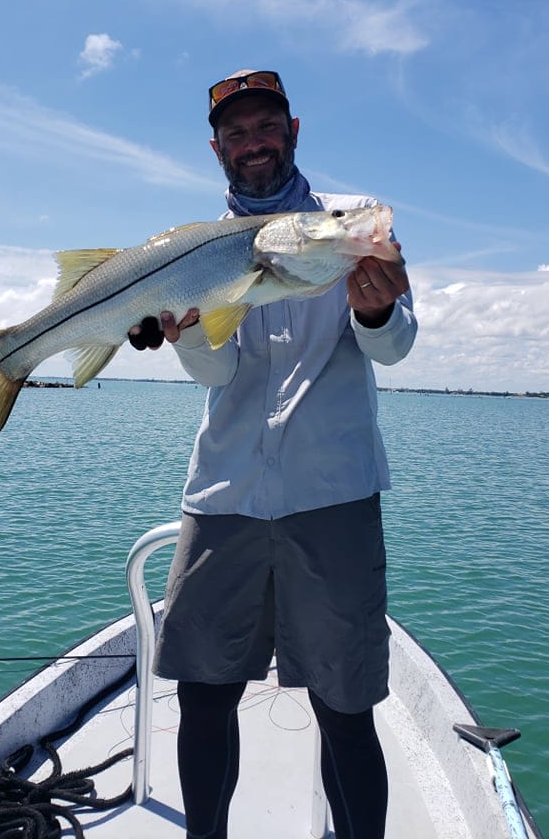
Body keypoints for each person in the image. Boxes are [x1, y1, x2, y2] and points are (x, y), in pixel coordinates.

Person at [128, 69, 417, 839]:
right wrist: (186, 338)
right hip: (222, 496)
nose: (253, 143)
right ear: (217, 147)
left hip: (334, 495)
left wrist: (380, 308)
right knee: (203, 694)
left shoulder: (351, 226)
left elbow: (395, 348)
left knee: (345, 703)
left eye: (266, 127)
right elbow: (217, 372)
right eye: (237, 133)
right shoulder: (192, 251)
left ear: (294, 132)